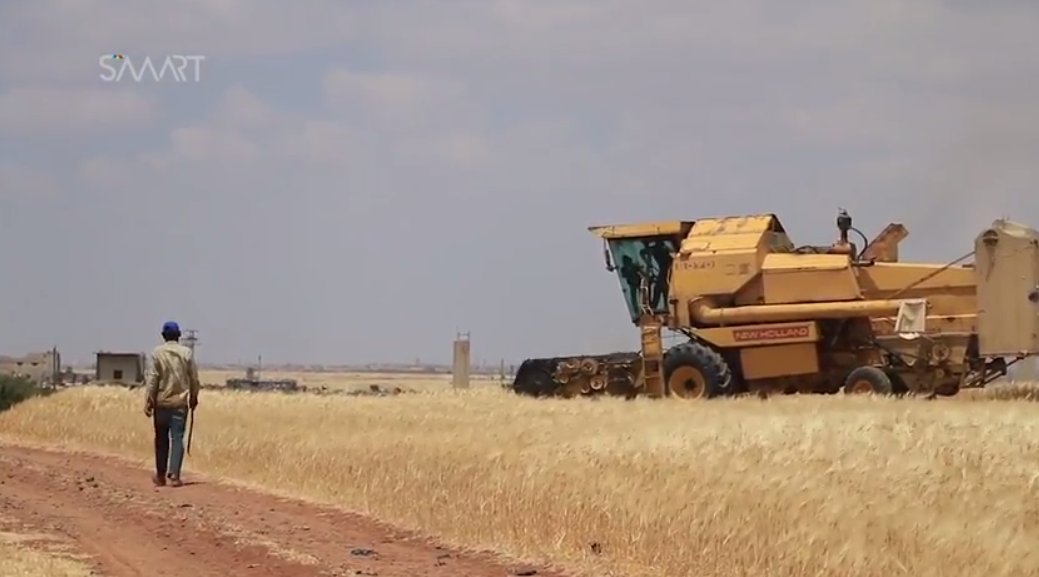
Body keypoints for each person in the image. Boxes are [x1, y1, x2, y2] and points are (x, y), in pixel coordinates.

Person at [143, 320, 200, 487]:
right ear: (179, 336)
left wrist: (149, 400)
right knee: (177, 438)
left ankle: (160, 476)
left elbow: (152, 378)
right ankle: (174, 475)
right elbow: (194, 379)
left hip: (161, 402)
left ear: (163, 336)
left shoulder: (157, 353)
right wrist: (194, 398)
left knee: (160, 439)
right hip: (180, 403)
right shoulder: (186, 353)